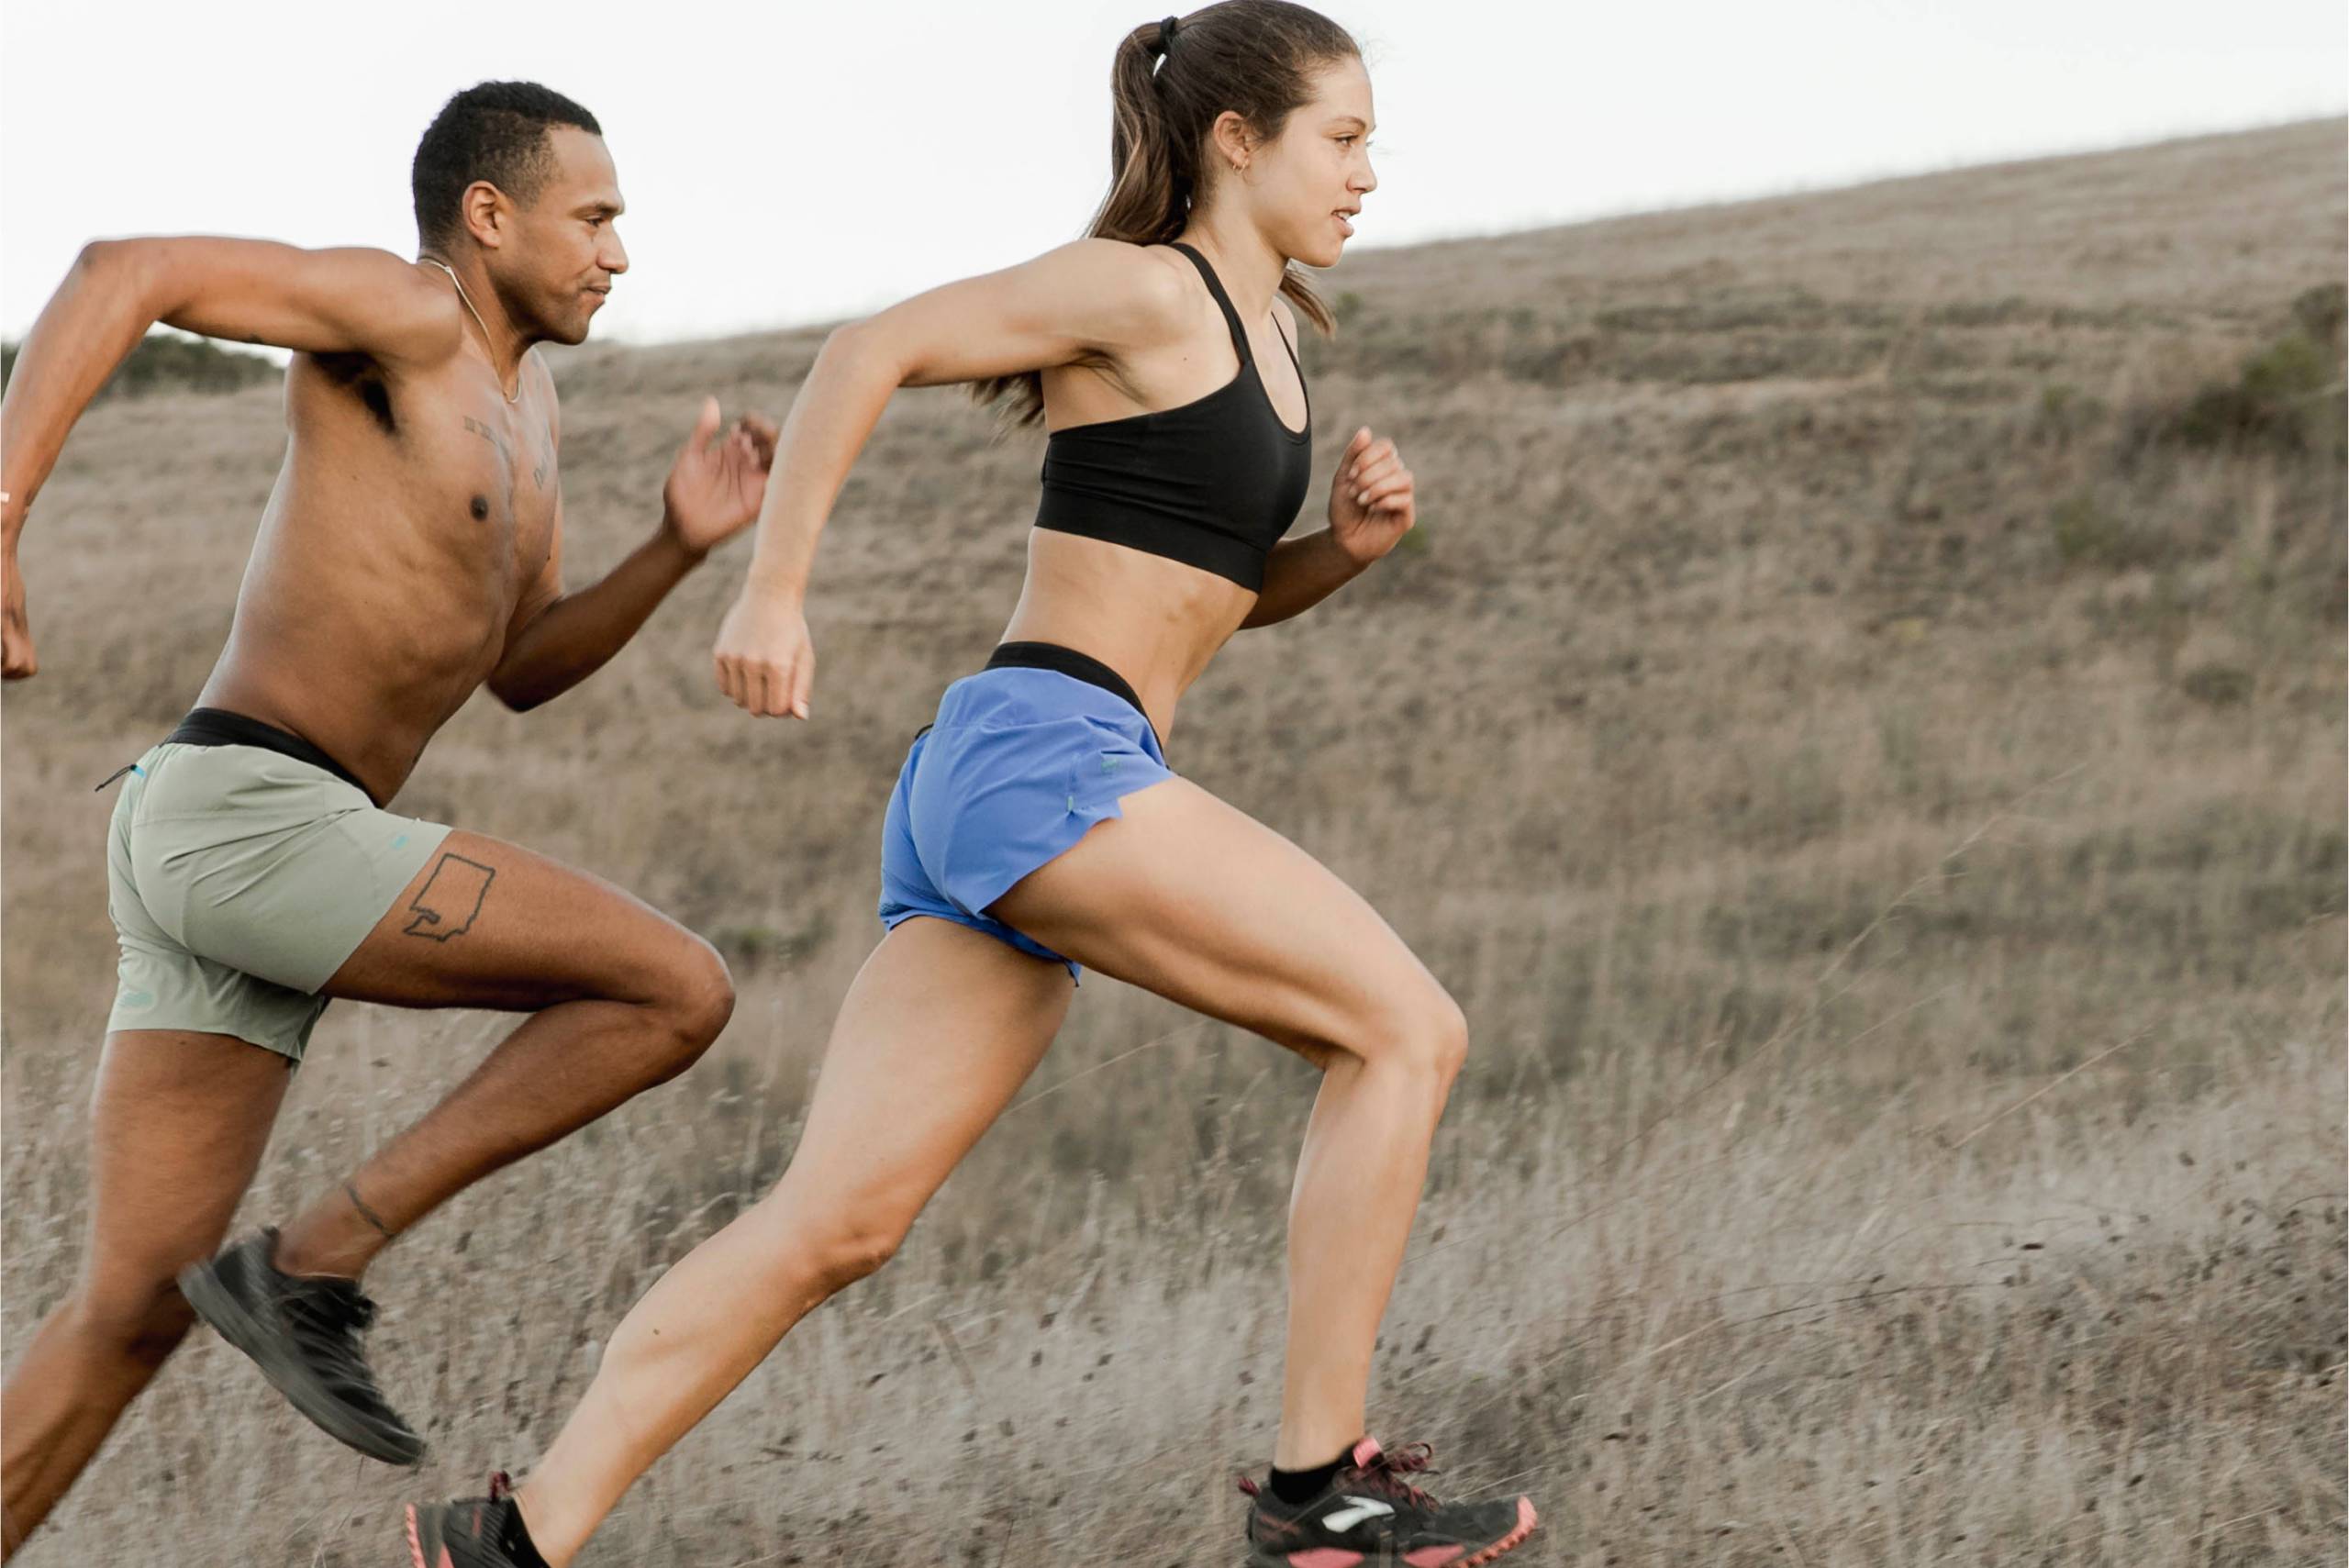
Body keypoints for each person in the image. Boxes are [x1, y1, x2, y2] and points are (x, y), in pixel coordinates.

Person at [405, 9, 1538, 1568]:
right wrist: (772, 590)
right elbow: (871, 347)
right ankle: (1313, 1488)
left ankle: (515, 1533)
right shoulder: (1144, 287)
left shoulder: (1272, 336)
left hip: (1013, 776)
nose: (1367, 174)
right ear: (1238, 141)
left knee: (836, 1222)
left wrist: (1336, 552)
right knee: (1405, 1028)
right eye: (1341, 138)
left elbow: (1201, 591)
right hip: (1044, 762)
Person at [0, 81, 777, 1556]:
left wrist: (678, 543)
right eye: (595, 216)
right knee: (677, 986)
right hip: (250, 810)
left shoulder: (528, 410)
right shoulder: (402, 314)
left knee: (130, 1315)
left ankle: (272, 1279)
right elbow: (126, 270)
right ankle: (316, 1260)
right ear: (490, 217)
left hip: (236, 841)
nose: (620, 252)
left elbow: (524, 670)